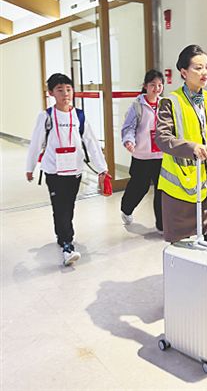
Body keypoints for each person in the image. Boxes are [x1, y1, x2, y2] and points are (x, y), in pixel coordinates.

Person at [155, 44, 207, 245]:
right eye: (198, 68)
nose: (205, 73)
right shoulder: (171, 101)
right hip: (180, 186)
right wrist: (192, 148)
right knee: (181, 246)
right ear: (184, 72)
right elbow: (162, 138)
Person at [26, 73, 108, 266]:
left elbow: (91, 142)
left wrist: (102, 168)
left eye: (68, 89)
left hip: (74, 170)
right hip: (53, 170)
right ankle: (67, 245)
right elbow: (36, 143)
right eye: (60, 90)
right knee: (59, 206)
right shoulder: (46, 116)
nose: (65, 94)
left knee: (68, 205)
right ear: (51, 93)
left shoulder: (79, 115)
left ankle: (62, 236)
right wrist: (30, 167)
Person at [120, 69, 164, 233]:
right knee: (139, 187)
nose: (156, 88)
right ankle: (126, 209)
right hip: (142, 155)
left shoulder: (165, 104)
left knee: (162, 190)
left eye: (159, 85)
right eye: (153, 85)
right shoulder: (137, 105)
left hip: (161, 155)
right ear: (145, 86)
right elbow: (129, 127)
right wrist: (129, 141)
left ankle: (162, 225)